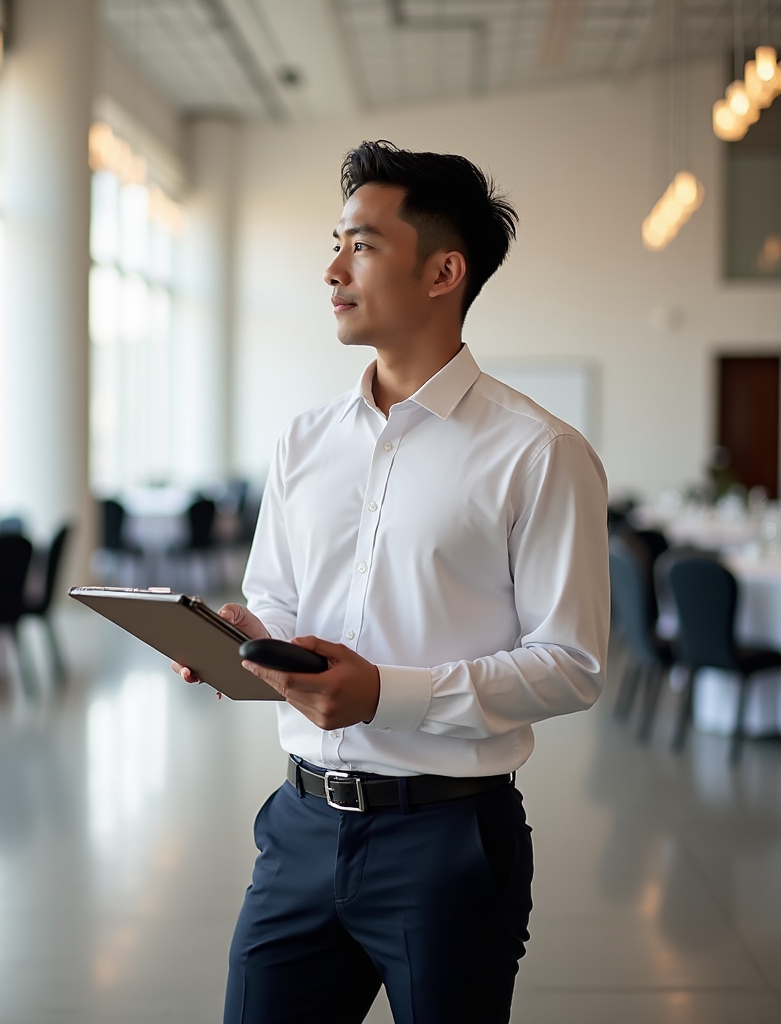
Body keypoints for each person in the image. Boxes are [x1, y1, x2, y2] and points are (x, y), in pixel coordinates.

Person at [174, 141, 609, 1023]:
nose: (333, 270)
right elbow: (283, 601)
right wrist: (241, 639)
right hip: (298, 827)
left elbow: (573, 662)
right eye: (334, 244)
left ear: (445, 270)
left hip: (447, 839)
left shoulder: (540, 452)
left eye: (362, 245)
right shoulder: (304, 439)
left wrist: (384, 695)